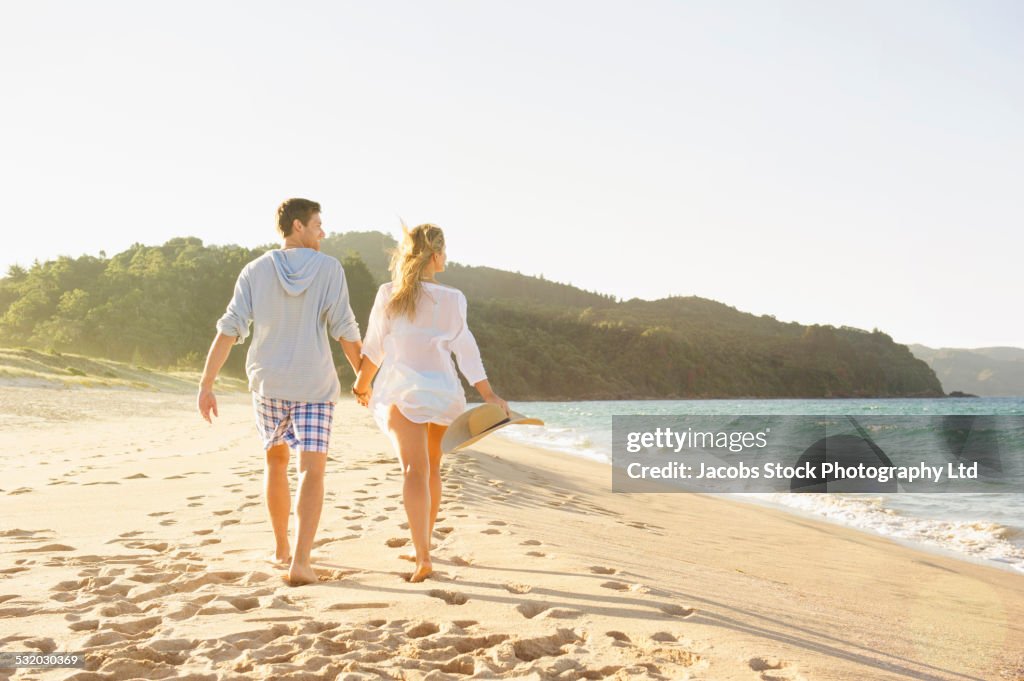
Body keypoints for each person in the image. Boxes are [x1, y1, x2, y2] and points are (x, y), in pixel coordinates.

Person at [197, 198, 363, 586]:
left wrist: (207, 384)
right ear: (297, 226)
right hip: (314, 385)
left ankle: (280, 549)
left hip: (269, 384)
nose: (323, 232)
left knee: (275, 463)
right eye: (318, 224)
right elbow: (345, 328)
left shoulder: (255, 270)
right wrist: (364, 378)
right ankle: (301, 561)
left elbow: (230, 328)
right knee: (312, 470)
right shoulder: (329, 269)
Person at [353, 223, 508, 583]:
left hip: (403, 392)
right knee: (432, 469)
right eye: (445, 250)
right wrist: (488, 395)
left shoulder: (389, 294)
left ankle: (422, 553)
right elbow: (467, 352)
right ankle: (423, 546)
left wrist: (361, 386)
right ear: (436, 255)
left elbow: (373, 348)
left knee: (413, 470)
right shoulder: (453, 298)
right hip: (443, 393)